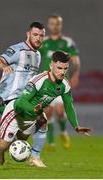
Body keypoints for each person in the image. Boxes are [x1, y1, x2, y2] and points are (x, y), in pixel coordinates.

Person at [0, 51, 90, 166]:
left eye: (65, 69)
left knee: (42, 122)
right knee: (4, 146)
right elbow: (21, 102)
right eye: (59, 68)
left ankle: (35, 158)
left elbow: (69, 106)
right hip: (16, 113)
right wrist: (34, 110)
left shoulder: (64, 85)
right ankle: (0, 153)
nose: (62, 72)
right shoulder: (39, 80)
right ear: (51, 66)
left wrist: (76, 126)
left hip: (34, 114)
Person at [0, 21, 46, 165]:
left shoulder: (38, 55)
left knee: (21, 136)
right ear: (28, 34)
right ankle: (32, 157)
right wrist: (4, 66)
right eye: (35, 35)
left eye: (41, 35)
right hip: (10, 98)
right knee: (39, 121)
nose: (38, 38)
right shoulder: (17, 50)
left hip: (25, 99)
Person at [39, 14, 81, 150]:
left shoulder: (67, 42)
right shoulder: (43, 42)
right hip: (46, 83)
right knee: (49, 112)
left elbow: (75, 59)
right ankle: (51, 143)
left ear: (60, 25)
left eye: (57, 24)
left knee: (60, 111)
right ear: (48, 25)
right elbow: (34, 56)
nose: (54, 26)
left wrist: (75, 74)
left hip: (61, 83)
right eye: (52, 23)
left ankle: (63, 132)